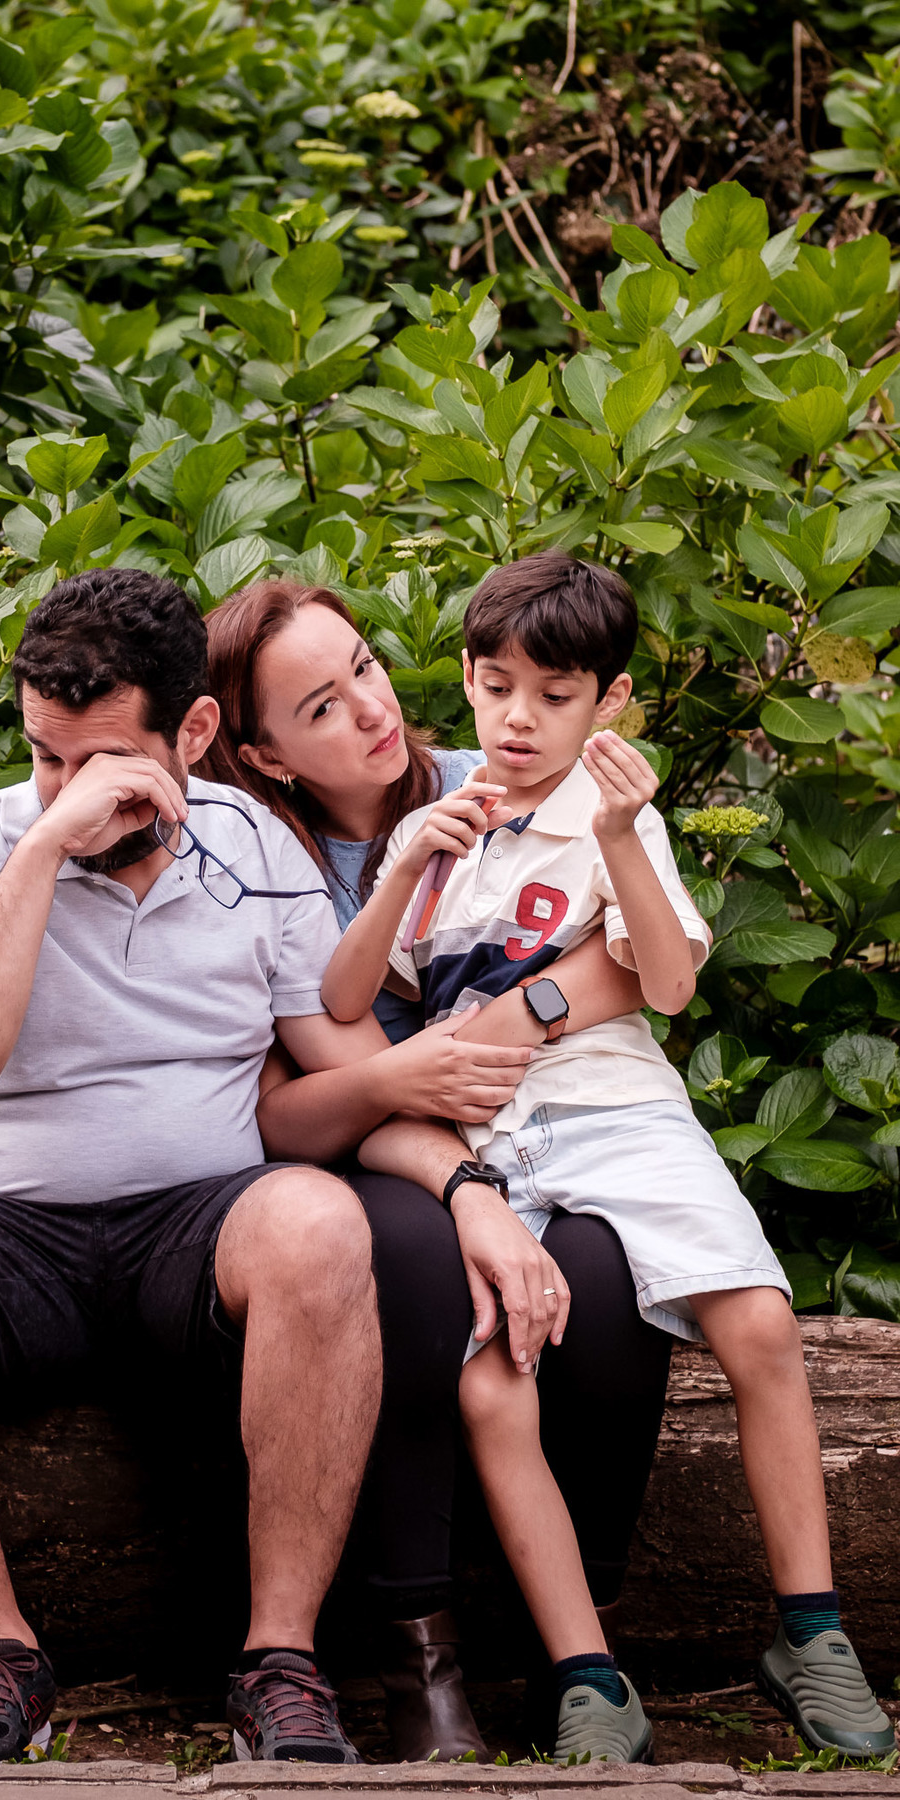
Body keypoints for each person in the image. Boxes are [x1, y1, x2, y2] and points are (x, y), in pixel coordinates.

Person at [0, 568, 531, 1766]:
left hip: (195, 1229)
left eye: (98, 765)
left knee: (315, 1219)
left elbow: (346, 1071)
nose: (65, 789)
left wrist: (465, 1188)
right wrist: (42, 851)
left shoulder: (254, 847)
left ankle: (280, 1663)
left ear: (192, 735)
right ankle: (0, 1657)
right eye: (44, 756)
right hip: (3, 1239)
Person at [319, 549, 896, 1764]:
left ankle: (812, 1628)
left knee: (761, 1326)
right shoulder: (446, 836)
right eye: (494, 686)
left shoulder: (607, 814)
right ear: (466, 683)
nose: (519, 718)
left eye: (554, 693)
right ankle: (590, 1676)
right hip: (484, 1138)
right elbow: (349, 993)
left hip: (613, 1106)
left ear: (609, 700)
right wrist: (405, 866)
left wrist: (628, 831)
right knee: (490, 1386)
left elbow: (672, 984)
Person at [203, 579, 676, 1755]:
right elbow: (288, 1113)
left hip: (538, 1125)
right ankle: (424, 1650)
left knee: (607, 1276)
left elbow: (629, 961)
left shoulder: (497, 771)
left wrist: (511, 1021)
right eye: (320, 705)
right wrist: (453, 1177)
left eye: (364, 666)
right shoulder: (266, 868)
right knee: (412, 1268)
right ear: (262, 755)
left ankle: (576, 1644)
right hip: (384, 1164)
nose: (371, 709)